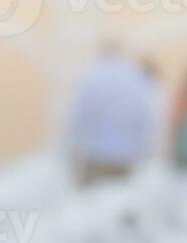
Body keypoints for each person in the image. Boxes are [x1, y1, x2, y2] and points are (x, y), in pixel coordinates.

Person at [66, 42, 154, 186]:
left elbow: (79, 118)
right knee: (120, 203)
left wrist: (75, 152)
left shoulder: (91, 77)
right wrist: (143, 152)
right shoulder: (135, 77)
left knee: (91, 203)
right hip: (126, 159)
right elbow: (145, 118)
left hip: (95, 156)